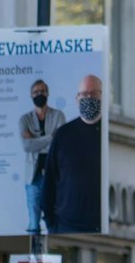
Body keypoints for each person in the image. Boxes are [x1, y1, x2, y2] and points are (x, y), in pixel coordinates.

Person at [38, 75, 104, 234]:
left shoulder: (108, 133)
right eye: (84, 94)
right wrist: (52, 225)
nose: (89, 98)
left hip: (101, 229)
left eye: (94, 94)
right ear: (77, 98)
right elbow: (49, 182)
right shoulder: (63, 134)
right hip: (66, 228)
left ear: (103, 96)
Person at [18, 79, 64, 232]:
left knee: (54, 219)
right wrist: (50, 137)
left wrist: (35, 140)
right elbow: (27, 146)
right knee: (33, 223)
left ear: (48, 93)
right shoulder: (25, 119)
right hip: (33, 176)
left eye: (42, 91)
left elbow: (60, 143)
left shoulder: (58, 115)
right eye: (36, 92)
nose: (39, 95)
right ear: (31, 95)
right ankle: (33, 252)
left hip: (53, 175)